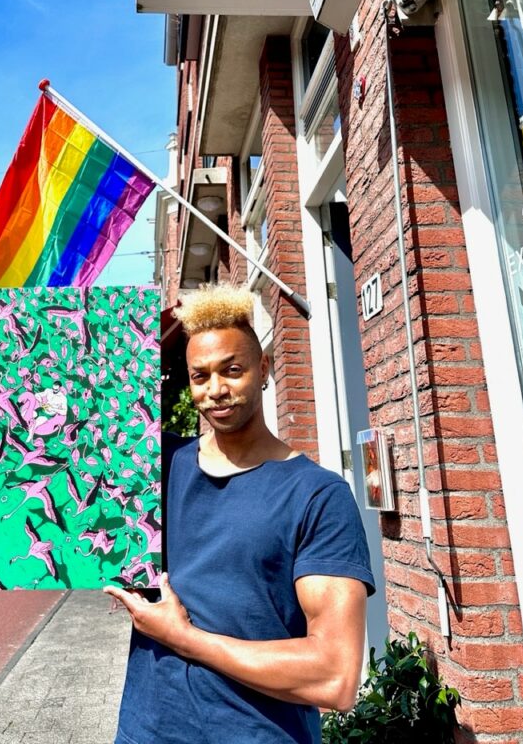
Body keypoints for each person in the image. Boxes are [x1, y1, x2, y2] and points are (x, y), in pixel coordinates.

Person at [103, 283, 374, 744]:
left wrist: (183, 638)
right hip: (146, 730)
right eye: (200, 376)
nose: (216, 391)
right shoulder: (155, 469)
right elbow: (65, 406)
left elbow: (335, 678)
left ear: (264, 368)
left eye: (232, 370)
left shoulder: (317, 495)